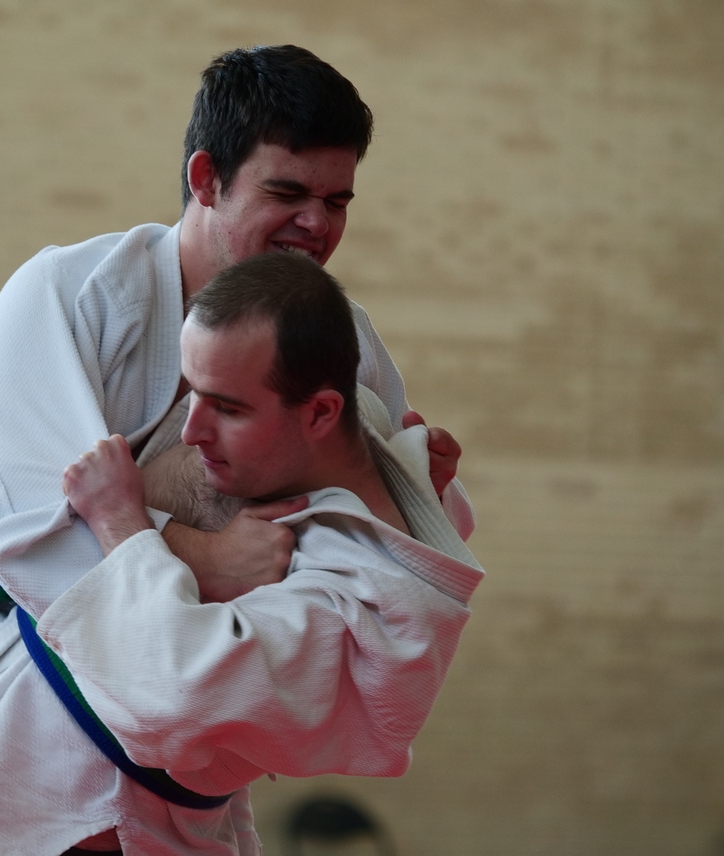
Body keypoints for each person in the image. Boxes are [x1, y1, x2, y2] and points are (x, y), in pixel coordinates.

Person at [0, 45, 475, 856]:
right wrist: (199, 558)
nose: (318, 223)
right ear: (207, 177)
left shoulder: (338, 345)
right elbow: (33, 541)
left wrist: (417, 489)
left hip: (168, 838)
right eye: (288, 193)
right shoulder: (70, 294)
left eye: (336, 200)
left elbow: (352, 585)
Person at [42, 253, 482, 810]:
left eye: (226, 408)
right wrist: (424, 483)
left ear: (322, 413)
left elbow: (175, 690)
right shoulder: (358, 423)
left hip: (94, 814)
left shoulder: (358, 611)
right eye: (191, 393)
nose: (194, 428)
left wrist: (119, 521)